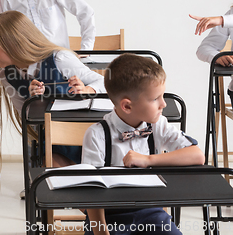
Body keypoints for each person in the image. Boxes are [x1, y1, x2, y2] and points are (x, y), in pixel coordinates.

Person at [82, 53, 205, 235]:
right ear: (127, 106)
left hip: (151, 212)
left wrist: (148, 160)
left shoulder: (158, 125)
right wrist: (102, 232)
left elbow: (197, 156)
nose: (163, 104)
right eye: (156, 98)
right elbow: (91, 193)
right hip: (109, 217)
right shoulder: (97, 135)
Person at [0, 10, 105, 178]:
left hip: (84, 137)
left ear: (15, 42)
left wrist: (88, 90)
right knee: (49, 172)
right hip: (51, 141)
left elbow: (104, 83)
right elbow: (25, 116)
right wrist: (33, 99)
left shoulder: (60, 58)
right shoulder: (6, 75)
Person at [191, 9, 233, 104]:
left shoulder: (226, 19)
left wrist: (223, 20)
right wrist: (216, 56)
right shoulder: (231, 14)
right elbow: (204, 48)